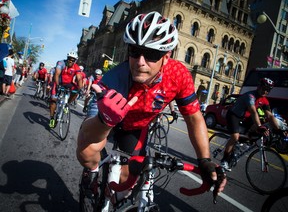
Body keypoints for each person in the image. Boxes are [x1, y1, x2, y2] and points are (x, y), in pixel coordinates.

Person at [76, 11, 226, 196]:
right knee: (87, 153)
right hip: (108, 120)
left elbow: (194, 118)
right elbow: (85, 134)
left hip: (136, 127)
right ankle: (91, 174)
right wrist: (105, 118)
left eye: (151, 54)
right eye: (135, 51)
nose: (140, 62)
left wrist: (204, 159)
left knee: (126, 177)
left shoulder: (178, 75)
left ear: (166, 56)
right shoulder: (113, 80)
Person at [220, 77, 281, 171]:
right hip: (234, 115)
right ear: (259, 86)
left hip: (245, 117)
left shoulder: (264, 100)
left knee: (253, 134)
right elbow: (253, 111)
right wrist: (260, 126)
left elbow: (270, 116)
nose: (265, 91)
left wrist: (278, 130)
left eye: (268, 90)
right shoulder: (251, 96)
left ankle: (237, 148)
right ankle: (224, 160)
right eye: (264, 88)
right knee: (235, 137)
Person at [49, 51, 83, 128]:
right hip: (59, 82)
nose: (71, 61)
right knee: (53, 100)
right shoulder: (61, 63)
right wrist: (57, 85)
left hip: (68, 83)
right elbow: (57, 74)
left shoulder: (76, 67)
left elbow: (79, 78)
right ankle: (51, 118)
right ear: (67, 58)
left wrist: (80, 88)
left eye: (73, 60)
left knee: (76, 92)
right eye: (69, 59)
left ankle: (67, 104)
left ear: (75, 61)